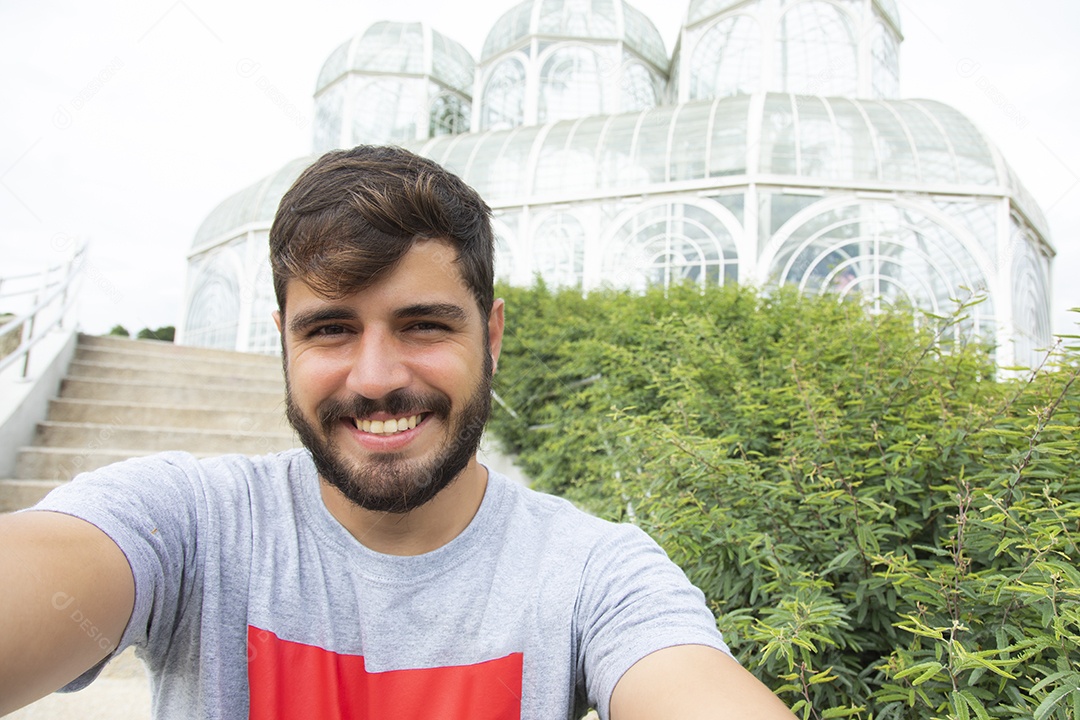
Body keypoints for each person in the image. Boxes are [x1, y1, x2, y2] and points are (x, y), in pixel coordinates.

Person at [0, 146, 795, 719]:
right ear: (284, 341)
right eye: (331, 331)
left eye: (422, 325)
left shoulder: (597, 573)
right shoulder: (184, 522)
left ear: (492, 337)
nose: (376, 376)